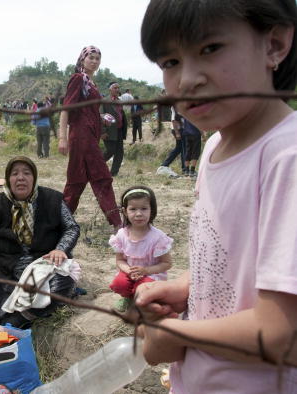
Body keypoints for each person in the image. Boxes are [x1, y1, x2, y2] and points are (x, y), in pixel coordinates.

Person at [136, 1, 297, 393]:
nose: (187, 79)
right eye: (170, 61)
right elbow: (236, 256)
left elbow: (282, 335)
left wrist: (179, 336)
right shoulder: (213, 149)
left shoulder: (286, 159)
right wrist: (187, 285)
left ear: (274, 45)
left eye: (210, 49)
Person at [0, 156, 80, 334]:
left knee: (64, 282)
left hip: (42, 265)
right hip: (2, 268)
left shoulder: (52, 200)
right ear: (8, 179)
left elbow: (71, 228)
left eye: (26, 173)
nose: (21, 178)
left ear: (34, 178)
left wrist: (60, 249)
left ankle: (17, 320)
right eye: (15, 174)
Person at [58, 46, 122, 229]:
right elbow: (66, 109)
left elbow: (86, 111)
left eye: (97, 58)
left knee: (76, 180)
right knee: (102, 177)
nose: (94, 61)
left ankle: (60, 220)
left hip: (89, 136)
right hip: (81, 135)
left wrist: (101, 119)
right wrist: (62, 138)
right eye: (91, 57)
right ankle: (117, 223)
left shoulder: (90, 83)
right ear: (82, 59)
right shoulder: (78, 79)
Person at [108, 186, 172, 312]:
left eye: (144, 208)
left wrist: (146, 270)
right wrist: (129, 271)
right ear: (125, 211)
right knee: (119, 284)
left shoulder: (158, 237)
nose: (138, 214)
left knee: (144, 289)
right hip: (129, 273)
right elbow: (120, 260)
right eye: (133, 209)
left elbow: (167, 263)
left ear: (151, 210)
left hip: (152, 274)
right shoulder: (122, 234)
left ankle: (145, 299)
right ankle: (128, 297)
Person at [102, 82, 127, 177]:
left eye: (118, 88)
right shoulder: (105, 101)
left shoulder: (119, 101)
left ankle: (113, 173)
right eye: (115, 88)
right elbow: (100, 116)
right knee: (110, 150)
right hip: (109, 131)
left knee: (120, 152)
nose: (117, 90)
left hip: (119, 130)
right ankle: (96, 165)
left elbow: (121, 115)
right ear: (110, 89)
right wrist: (102, 132)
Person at [157, 112, 187, 176]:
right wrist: (177, 132)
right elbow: (173, 120)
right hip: (178, 129)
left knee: (179, 148)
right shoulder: (175, 106)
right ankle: (184, 169)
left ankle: (165, 164)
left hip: (180, 129)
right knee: (183, 149)